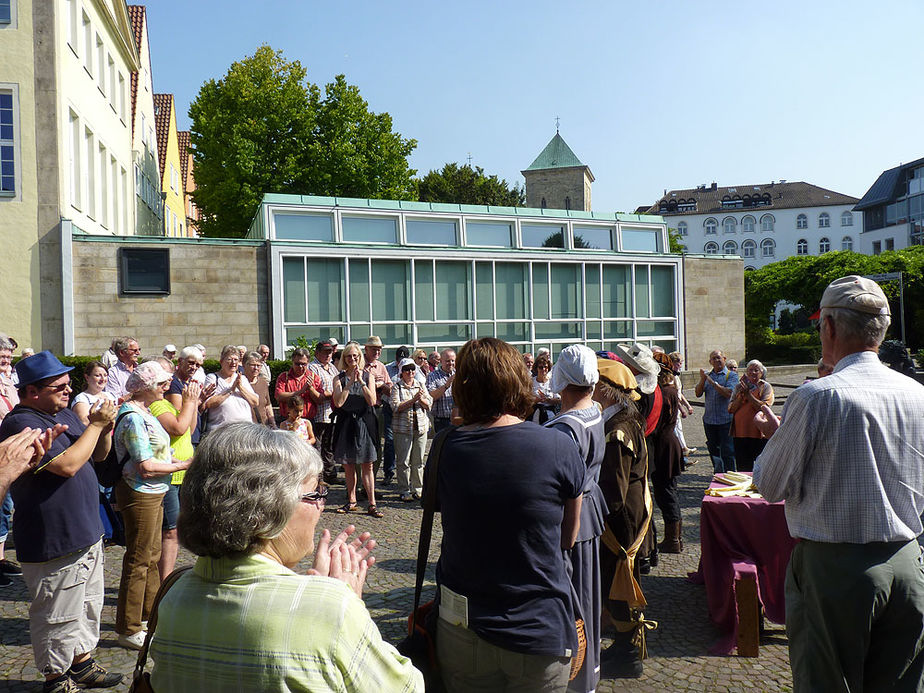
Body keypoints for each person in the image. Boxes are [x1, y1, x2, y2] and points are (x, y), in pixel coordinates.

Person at [147, 422, 422, 691]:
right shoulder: (331, 609)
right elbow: (408, 687)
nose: (322, 505)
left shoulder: (175, 592)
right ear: (270, 509)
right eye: (315, 493)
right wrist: (346, 602)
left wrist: (310, 589)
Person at [754, 275, 924, 691]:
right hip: (908, 562)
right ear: (881, 330)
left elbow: (768, 485)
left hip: (835, 569)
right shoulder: (917, 393)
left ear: (828, 327)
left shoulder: (818, 396)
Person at [433, 337, 584, 692]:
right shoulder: (557, 444)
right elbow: (568, 537)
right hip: (539, 625)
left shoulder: (445, 447)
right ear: (518, 380)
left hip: (462, 624)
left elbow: (444, 511)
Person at [0, 351, 124, 692]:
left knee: (87, 606)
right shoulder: (20, 422)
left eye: (69, 385)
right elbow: (68, 465)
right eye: (59, 387)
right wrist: (95, 425)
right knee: (56, 613)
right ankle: (56, 678)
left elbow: (95, 455)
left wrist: (105, 430)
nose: (67, 392)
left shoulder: (62, 411)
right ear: (31, 392)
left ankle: (81, 663)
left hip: (85, 531)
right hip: (53, 538)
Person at [113, 361, 193, 651]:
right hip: (140, 491)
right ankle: (128, 626)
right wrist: (183, 464)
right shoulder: (134, 416)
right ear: (146, 387)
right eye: (161, 383)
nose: (166, 386)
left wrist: (172, 458)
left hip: (154, 490)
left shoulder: (145, 411)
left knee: (152, 554)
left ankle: (147, 618)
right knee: (138, 558)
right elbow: (145, 466)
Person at [545, 345, 605, 693]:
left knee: (575, 603)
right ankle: (588, 674)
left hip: (573, 521)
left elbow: (566, 488)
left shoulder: (565, 428)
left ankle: (577, 679)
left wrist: (564, 537)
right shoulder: (595, 410)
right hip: (591, 514)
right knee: (588, 598)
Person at [593, 358, 653, 679]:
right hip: (626, 517)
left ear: (606, 390)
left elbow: (613, 493)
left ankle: (628, 653)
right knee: (619, 583)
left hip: (620, 524)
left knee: (620, 584)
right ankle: (625, 647)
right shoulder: (624, 421)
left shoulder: (617, 430)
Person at [148, 371, 201, 581]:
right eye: (165, 380)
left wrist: (193, 404)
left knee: (173, 530)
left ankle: (164, 578)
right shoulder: (158, 405)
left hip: (179, 473)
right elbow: (178, 429)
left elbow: (190, 428)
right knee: (169, 531)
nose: (170, 383)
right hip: (167, 473)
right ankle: (165, 580)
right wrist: (189, 402)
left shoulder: (169, 405)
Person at [332, 343, 382, 517]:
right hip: (346, 424)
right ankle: (351, 500)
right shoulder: (338, 378)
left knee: (367, 464)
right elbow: (339, 402)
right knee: (348, 465)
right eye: (348, 356)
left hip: (364, 423)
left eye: (355, 356)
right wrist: (350, 383)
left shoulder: (369, 376)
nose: (352, 359)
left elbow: (372, 400)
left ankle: (372, 503)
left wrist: (360, 382)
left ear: (360, 357)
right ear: (344, 359)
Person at [649, 352, 685, 553]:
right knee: (668, 491)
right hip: (667, 442)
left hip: (664, 445)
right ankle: (675, 538)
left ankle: (673, 539)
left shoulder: (664, 391)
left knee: (666, 493)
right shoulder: (668, 389)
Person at [389, 357, 431, 502]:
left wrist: (421, 400)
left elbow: (429, 403)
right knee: (403, 461)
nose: (410, 372)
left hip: (420, 428)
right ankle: (404, 489)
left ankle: (417, 489)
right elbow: (395, 407)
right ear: (402, 372)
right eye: (407, 370)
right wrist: (413, 400)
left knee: (418, 461)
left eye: (412, 369)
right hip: (402, 429)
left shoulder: (420, 385)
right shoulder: (396, 387)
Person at [694, 349, 738, 473]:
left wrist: (713, 383)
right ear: (710, 362)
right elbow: (697, 393)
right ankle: (718, 474)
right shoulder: (707, 376)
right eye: (713, 358)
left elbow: (728, 393)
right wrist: (703, 379)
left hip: (725, 421)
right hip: (709, 421)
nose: (716, 360)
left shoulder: (732, 375)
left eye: (719, 357)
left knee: (728, 452)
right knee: (714, 451)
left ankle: (730, 475)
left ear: (724, 359)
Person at [727, 359, 774, 472]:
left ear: (761, 373)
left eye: (756, 370)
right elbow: (730, 409)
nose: (753, 373)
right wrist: (741, 395)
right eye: (750, 370)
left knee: (761, 467)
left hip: (759, 434)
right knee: (743, 468)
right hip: (740, 433)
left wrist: (749, 395)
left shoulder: (766, 387)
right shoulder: (739, 387)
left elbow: (764, 407)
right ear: (746, 372)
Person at [0, 336, 21, 581]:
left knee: (6, 507)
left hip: (9, 449)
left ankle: (2, 558)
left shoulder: (10, 382)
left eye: (8, 358)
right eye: (2, 357)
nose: (6, 361)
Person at [202, 345, 260, 431]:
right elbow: (208, 403)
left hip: (244, 430)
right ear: (221, 361)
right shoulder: (213, 378)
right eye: (229, 359)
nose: (233, 362)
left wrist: (240, 387)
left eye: (236, 359)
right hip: (221, 431)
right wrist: (231, 390)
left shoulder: (242, 378)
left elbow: (255, 402)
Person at [309, 339, 340, 484]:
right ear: (317, 353)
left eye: (330, 352)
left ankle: (330, 474)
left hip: (332, 414)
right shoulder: (313, 368)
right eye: (325, 352)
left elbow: (338, 388)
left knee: (330, 446)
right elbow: (317, 393)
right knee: (318, 446)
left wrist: (330, 393)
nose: (328, 355)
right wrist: (331, 394)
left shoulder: (332, 368)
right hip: (319, 414)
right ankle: (319, 476)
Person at [362, 337, 392, 481]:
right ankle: (360, 483)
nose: (377, 351)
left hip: (378, 409)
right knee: (361, 444)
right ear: (366, 349)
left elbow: (390, 389)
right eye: (374, 348)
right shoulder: (359, 364)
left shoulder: (381, 366)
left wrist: (381, 385)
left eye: (379, 349)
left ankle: (371, 481)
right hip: (361, 409)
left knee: (377, 446)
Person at [166, 346, 207, 446]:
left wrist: (200, 400)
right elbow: (178, 412)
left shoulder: (190, 382)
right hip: (180, 439)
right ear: (180, 361)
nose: (194, 368)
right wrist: (196, 401)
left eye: (198, 365)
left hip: (193, 435)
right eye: (191, 363)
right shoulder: (173, 383)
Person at [274, 347, 322, 427]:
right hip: (287, 420)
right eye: (297, 364)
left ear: (308, 363)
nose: (300, 366)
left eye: (303, 364)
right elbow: (279, 396)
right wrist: (301, 391)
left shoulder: (314, 377)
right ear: (292, 362)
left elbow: (320, 400)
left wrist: (311, 389)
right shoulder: (284, 377)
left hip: (307, 421)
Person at [668, 351, 696, 456]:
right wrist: (681, 409)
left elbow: (680, 394)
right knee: (674, 430)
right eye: (677, 363)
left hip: (677, 406)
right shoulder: (669, 376)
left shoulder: (676, 376)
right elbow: (673, 395)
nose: (680, 365)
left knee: (678, 428)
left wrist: (688, 405)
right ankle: (681, 452)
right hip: (672, 407)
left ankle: (684, 449)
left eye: (681, 362)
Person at [71, 362, 115, 426]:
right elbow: (85, 422)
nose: (103, 379)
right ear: (87, 377)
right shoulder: (82, 398)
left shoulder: (110, 396)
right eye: (97, 375)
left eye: (105, 375)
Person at [243, 351, 275, 428]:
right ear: (244, 365)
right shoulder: (239, 383)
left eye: (259, 365)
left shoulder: (263, 382)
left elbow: (268, 405)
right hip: (246, 428)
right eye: (253, 365)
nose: (256, 368)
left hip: (264, 426)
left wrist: (273, 423)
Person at [427, 348, 456, 435]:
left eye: (452, 360)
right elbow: (431, 396)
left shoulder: (460, 374)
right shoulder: (432, 376)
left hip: (458, 419)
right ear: (441, 361)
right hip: (442, 421)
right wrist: (447, 385)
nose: (450, 363)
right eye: (447, 361)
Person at [104, 336, 140, 401]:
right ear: (122, 353)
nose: (138, 353)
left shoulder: (141, 369)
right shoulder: (112, 373)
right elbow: (115, 401)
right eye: (134, 350)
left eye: (139, 349)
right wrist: (140, 392)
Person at [531, 353, 561, 423]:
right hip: (535, 415)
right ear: (536, 368)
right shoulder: (531, 381)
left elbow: (559, 399)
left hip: (550, 414)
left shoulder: (552, 381)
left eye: (546, 367)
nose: (543, 369)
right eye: (541, 367)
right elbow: (526, 399)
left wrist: (548, 400)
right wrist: (537, 400)